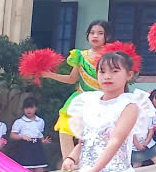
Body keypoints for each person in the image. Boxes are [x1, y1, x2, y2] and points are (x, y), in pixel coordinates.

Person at [41, 19, 112, 160]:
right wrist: (50, 75)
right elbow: (72, 79)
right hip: (81, 98)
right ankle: (69, 162)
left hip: (103, 100)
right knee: (65, 127)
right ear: (87, 35)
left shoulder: (110, 56)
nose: (95, 36)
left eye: (100, 33)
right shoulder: (80, 56)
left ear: (107, 36)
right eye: (92, 32)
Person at [10, 97, 51, 172]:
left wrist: (43, 141)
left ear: (36, 108)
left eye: (31, 107)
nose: (29, 110)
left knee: (40, 168)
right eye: (26, 108)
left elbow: (39, 133)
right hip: (25, 147)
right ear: (23, 109)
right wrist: (22, 136)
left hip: (37, 146)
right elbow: (12, 135)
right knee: (27, 169)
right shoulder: (19, 122)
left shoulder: (40, 121)